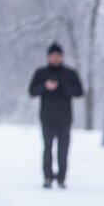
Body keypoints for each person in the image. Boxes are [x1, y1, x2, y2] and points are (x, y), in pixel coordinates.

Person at [28, 42, 84, 189]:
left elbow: (79, 92)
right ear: (48, 57)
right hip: (47, 117)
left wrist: (62, 86)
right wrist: (45, 87)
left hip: (65, 118)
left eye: (58, 55)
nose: (55, 58)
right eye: (52, 55)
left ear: (62, 56)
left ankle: (61, 178)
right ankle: (47, 176)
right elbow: (32, 91)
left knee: (63, 149)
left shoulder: (70, 74)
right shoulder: (41, 73)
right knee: (47, 148)